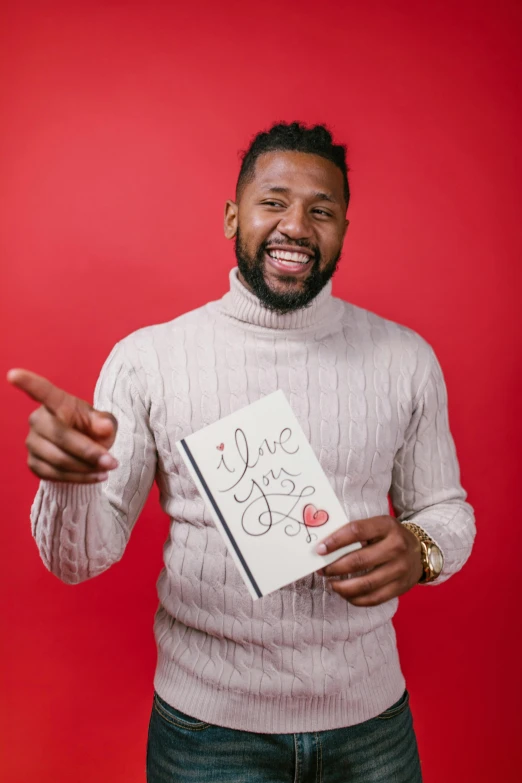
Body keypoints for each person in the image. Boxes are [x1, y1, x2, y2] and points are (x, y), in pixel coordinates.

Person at [7, 122, 476, 783]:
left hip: (371, 724)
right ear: (233, 216)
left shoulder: (406, 359)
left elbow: (446, 508)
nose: (297, 226)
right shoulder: (150, 359)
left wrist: (421, 549)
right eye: (274, 201)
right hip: (208, 735)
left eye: (322, 210)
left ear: (345, 227)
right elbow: (79, 561)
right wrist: (72, 483)